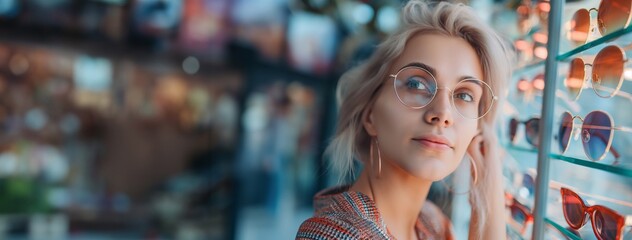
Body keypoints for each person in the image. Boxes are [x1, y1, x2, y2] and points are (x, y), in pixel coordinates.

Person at [296, 0, 512, 239]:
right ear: (370, 115)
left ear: (476, 131)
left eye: (464, 95)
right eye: (416, 84)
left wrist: (489, 185)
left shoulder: (432, 224)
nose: (442, 113)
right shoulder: (335, 235)